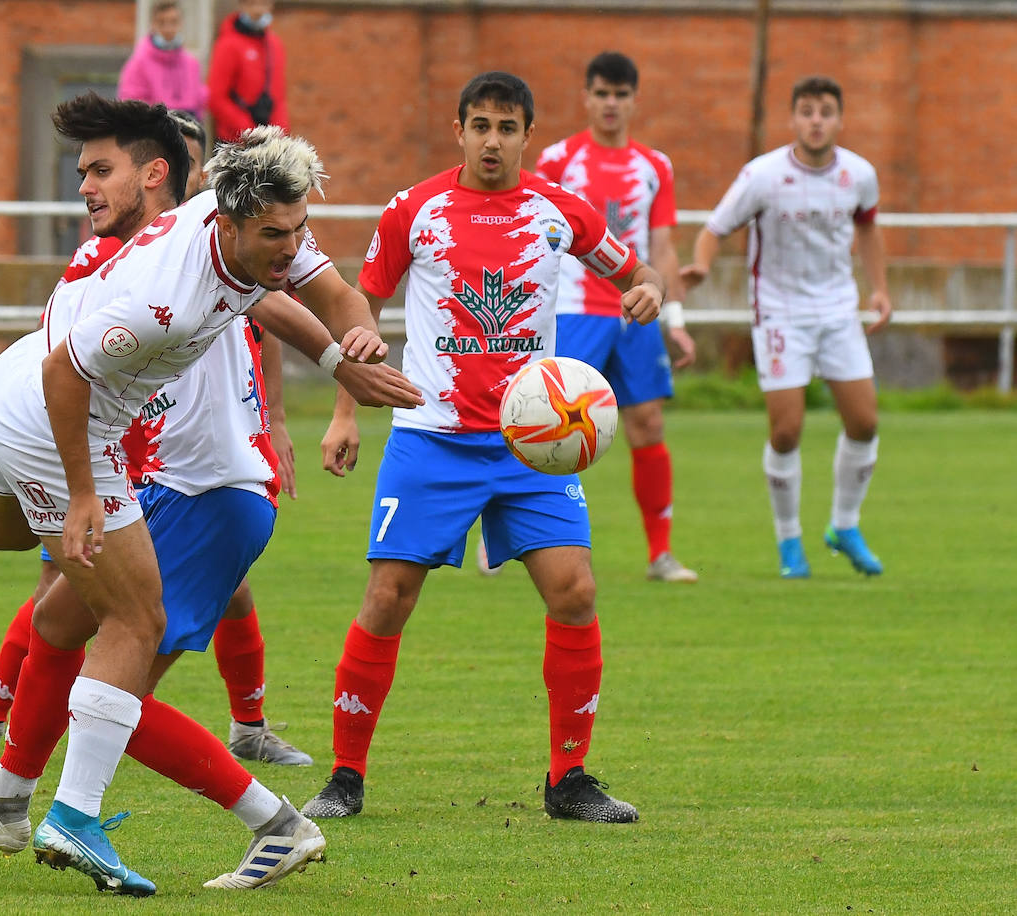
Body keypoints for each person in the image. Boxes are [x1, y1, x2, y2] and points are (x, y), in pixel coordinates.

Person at [0, 97, 421, 894]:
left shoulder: (241, 218)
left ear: (166, 176)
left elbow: (315, 291)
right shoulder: (161, 294)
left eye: (100, 170)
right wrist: (81, 495)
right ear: (231, 220)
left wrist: (348, 348)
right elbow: (67, 375)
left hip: (40, 406)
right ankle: (233, 822)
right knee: (129, 638)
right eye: (274, 236)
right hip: (67, 417)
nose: (289, 247)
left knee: (45, 603)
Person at [304, 72, 663, 824]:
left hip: (530, 447)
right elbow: (359, 309)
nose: (492, 140)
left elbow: (635, 269)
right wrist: (346, 412)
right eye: (480, 126)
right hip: (431, 439)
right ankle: (344, 776)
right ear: (459, 129)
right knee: (386, 599)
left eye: (507, 127)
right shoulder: (415, 209)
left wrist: (649, 290)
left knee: (577, 590)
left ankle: (570, 781)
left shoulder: (559, 211)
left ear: (528, 134)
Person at [0, 112, 312, 771]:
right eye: (88, 172)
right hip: (138, 458)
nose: (199, 189)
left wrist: (288, 410)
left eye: (100, 170)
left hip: (208, 477)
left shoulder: (231, 247)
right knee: (69, 612)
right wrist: (81, 479)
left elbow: (277, 314)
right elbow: (60, 368)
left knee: (114, 659)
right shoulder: (121, 265)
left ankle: (251, 765)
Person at [681, 75, 889, 579]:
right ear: (793, 118)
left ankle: (844, 525)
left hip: (838, 309)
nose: (816, 121)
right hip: (780, 312)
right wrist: (702, 266)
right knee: (787, 429)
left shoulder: (859, 174)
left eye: (825, 111)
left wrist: (879, 288)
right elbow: (714, 228)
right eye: (807, 111)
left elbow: (868, 229)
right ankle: (789, 541)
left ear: (840, 119)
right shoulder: (763, 175)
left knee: (864, 422)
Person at [530, 51, 698, 584]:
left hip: (637, 315)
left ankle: (661, 554)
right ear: (586, 96)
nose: (610, 104)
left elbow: (664, 248)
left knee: (647, 425)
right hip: (578, 310)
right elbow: (536, 237)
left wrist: (674, 318)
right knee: (547, 426)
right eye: (601, 93)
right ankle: (508, 538)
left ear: (634, 101)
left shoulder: (656, 166)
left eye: (620, 95)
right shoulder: (558, 160)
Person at [207, 0, 287, 143]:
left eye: (263, 4)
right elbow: (216, 97)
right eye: (253, 3)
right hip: (235, 140)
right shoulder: (228, 44)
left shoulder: (275, 45)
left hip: (268, 140)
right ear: (242, 4)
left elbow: (279, 96)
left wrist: (279, 132)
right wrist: (248, 129)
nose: (258, 10)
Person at [117, 0, 208, 119]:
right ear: (152, 25)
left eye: (173, 22)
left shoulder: (192, 64)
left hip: (188, 131)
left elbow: (200, 103)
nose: (168, 29)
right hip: (155, 132)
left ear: (181, 23)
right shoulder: (138, 64)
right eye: (161, 22)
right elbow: (130, 104)